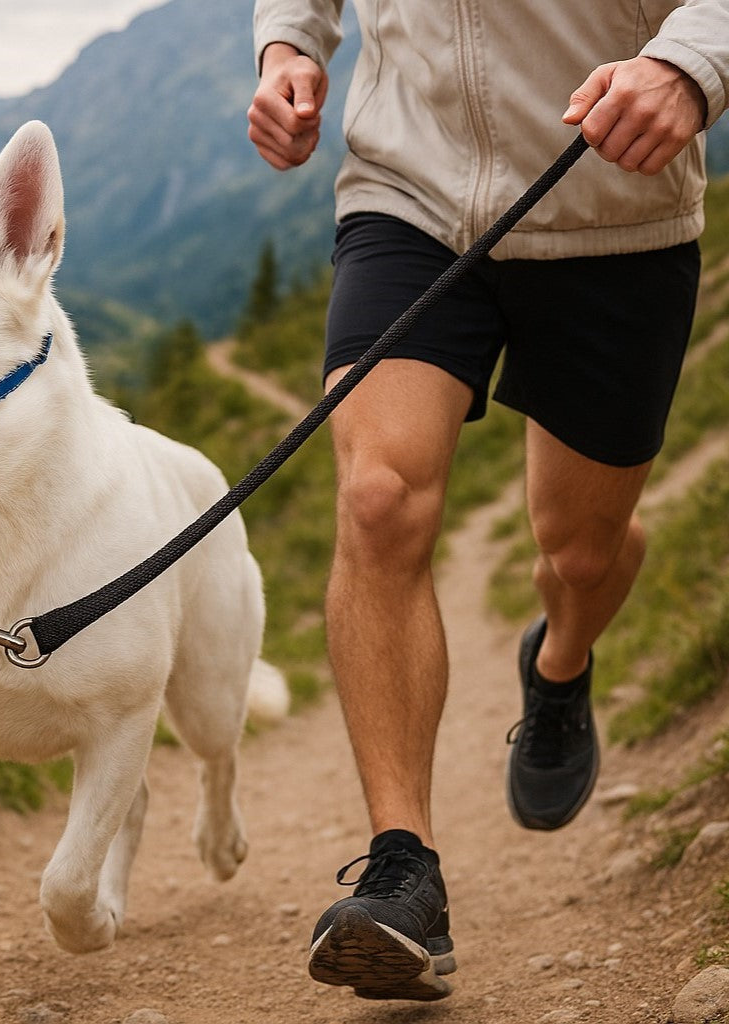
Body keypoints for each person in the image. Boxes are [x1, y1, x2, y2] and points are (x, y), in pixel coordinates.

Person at [247, 0, 729, 1003]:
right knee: (376, 497)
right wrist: (289, 42)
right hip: (405, 196)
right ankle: (400, 869)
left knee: (581, 555)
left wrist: (691, 64)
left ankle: (558, 664)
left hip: (612, 200)